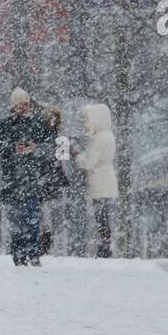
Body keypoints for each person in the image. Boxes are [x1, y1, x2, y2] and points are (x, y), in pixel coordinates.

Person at [0, 88, 51, 267]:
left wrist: (35, 148)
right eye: (20, 104)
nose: (24, 108)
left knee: (32, 219)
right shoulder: (4, 125)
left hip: (32, 180)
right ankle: (18, 254)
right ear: (13, 106)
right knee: (15, 221)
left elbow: (49, 146)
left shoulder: (38, 124)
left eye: (26, 104)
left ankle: (33, 253)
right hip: (12, 181)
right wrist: (12, 148)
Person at [73, 102, 118, 258]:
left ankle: (104, 247)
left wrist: (77, 155)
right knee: (104, 215)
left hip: (100, 180)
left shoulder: (100, 138)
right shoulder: (109, 135)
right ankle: (105, 245)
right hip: (107, 178)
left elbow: (89, 162)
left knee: (101, 215)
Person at [37, 104, 69, 254]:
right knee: (49, 209)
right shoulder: (60, 138)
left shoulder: (45, 137)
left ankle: (47, 236)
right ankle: (48, 237)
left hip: (46, 176)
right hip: (51, 176)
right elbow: (62, 160)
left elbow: (61, 159)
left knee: (45, 209)